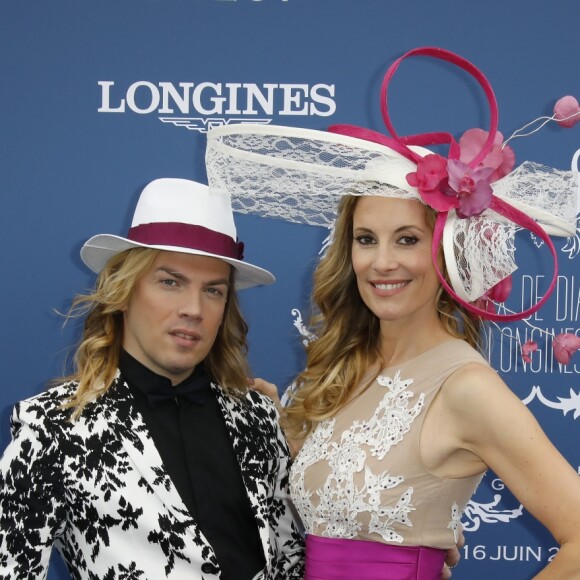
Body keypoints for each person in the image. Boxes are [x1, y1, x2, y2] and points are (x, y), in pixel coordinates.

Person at [204, 48, 580, 579]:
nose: (382, 263)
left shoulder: (465, 386)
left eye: (406, 239)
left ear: (445, 249)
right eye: (365, 239)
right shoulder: (344, 366)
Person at [0, 178, 304, 579]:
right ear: (124, 291)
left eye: (213, 290)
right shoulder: (52, 429)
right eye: (170, 282)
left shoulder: (260, 418)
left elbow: (291, 561)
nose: (193, 309)